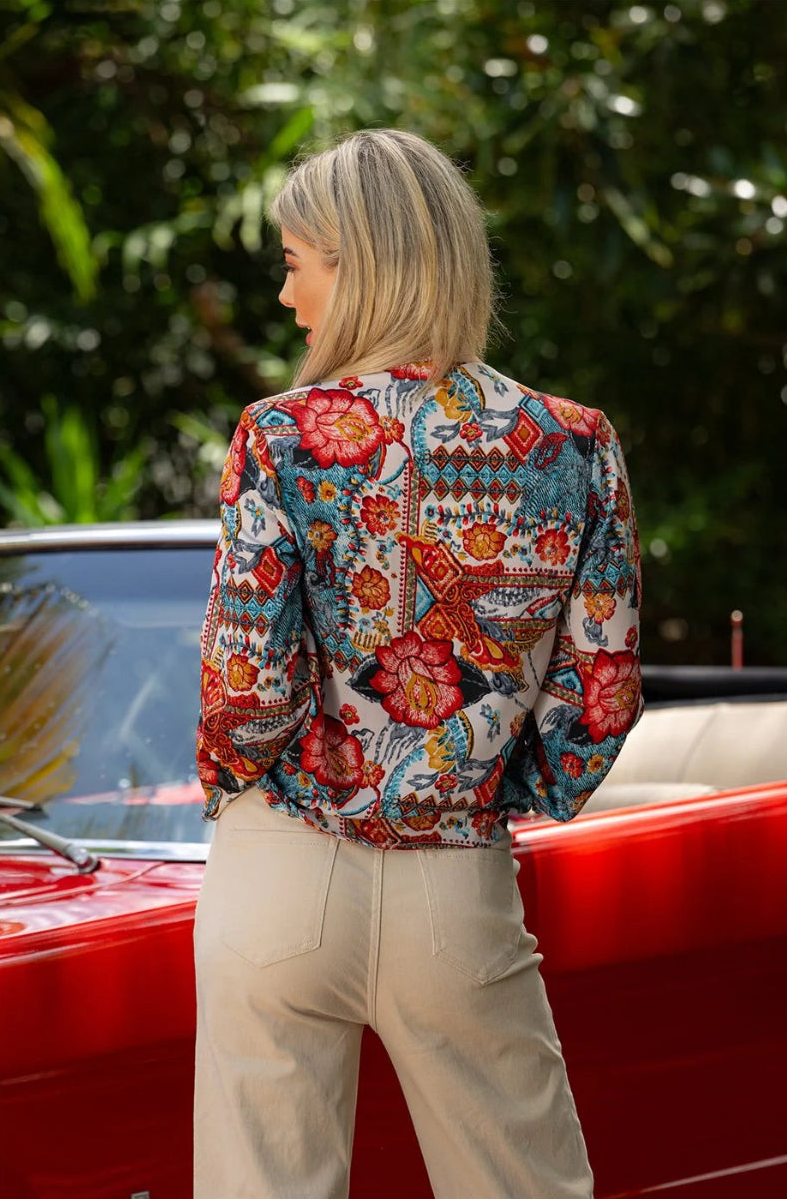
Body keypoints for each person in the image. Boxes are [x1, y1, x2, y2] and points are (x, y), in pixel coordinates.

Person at [193, 128, 642, 1200]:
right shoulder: (572, 443)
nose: (287, 294)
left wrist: (231, 781)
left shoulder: (280, 438)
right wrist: (492, 787)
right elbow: (601, 694)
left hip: (281, 868)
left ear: (355, 261)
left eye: (295, 263)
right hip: (457, 878)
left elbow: (246, 689)